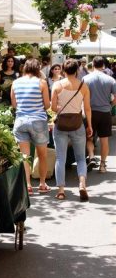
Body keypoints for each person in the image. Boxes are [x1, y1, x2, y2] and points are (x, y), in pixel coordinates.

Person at [51, 59, 92, 201]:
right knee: (81, 158)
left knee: (60, 158)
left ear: (63, 69)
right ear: (77, 70)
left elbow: (52, 107)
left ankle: (61, 190)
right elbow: (87, 108)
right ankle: (82, 184)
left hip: (61, 125)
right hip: (77, 124)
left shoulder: (57, 85)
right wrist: (90, 125)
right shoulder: (83, 86)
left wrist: (61, 108)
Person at [10, 58, 50, 194]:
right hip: (38, 121)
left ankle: (27, 185)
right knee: (42, 155)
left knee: (24, 156)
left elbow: (14, 105)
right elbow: (47, 105)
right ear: (37, 69)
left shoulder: (15, 83)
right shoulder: (42, 83)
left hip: (20, 121)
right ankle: (42, 184)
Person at [83, 56, 116, 173]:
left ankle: (91, 156)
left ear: (92, 64)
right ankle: (102, 165)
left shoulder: (85, 79)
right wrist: (110, 105)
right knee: (104, 140)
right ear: (103, 66)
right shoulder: (111, 80)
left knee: (89, 137)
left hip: (89, 112)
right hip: (105, 112)